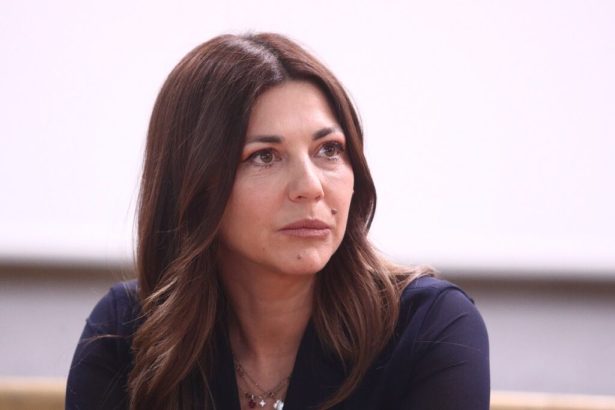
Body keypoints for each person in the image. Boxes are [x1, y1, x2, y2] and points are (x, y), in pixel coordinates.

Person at [66, 33, 489, 410]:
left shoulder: (429, 326)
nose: (310, 187)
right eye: (264, 157)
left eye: (329, 150)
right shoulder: (126, 333)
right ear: (193, 183)